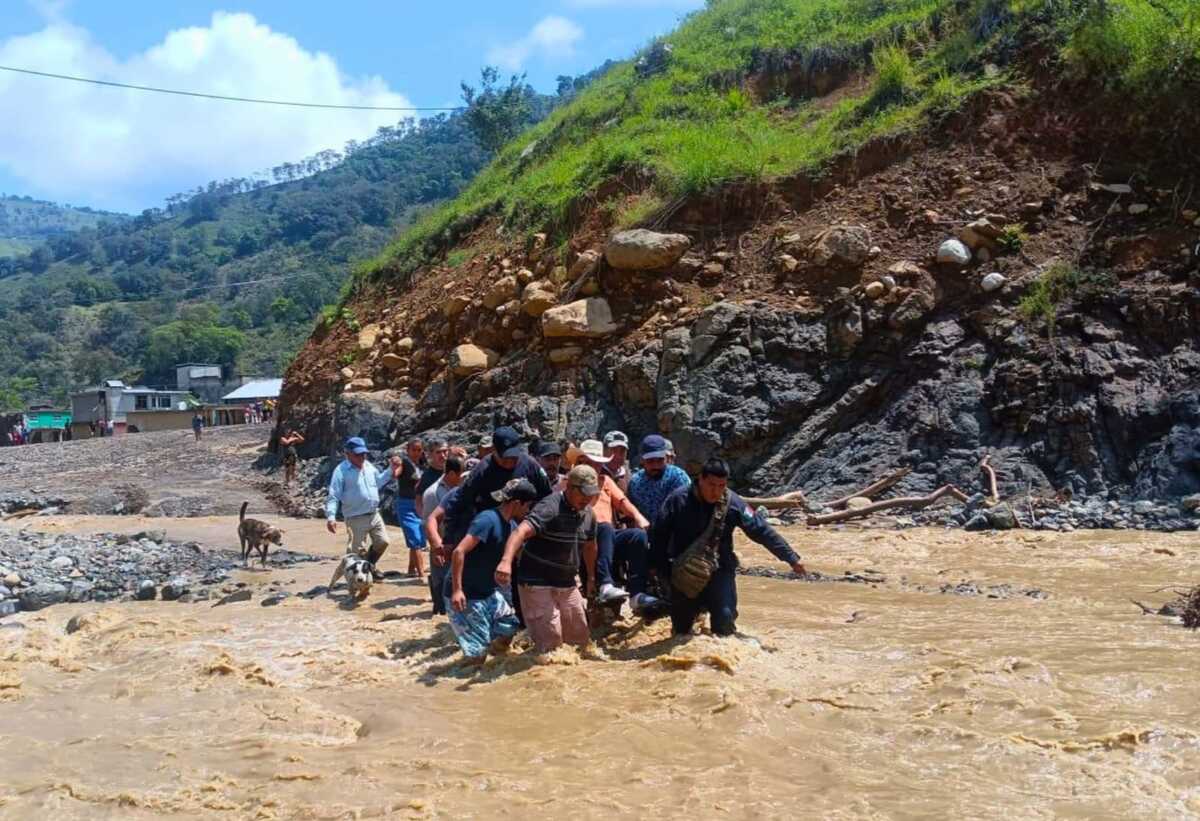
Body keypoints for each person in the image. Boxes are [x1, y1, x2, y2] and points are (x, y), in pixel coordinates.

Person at [652, 458, 806, 637]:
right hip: (683, 572)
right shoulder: (678, 500)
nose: (715, 491)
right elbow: (658, 535)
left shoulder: (733, 503)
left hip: (720, 569)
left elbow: (761, 530)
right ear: (700, 479)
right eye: (711, 485)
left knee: (724, 622)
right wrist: (658, 570)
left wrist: (791, 558)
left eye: (721, 485)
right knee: (681, 631)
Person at [495, 465, 600, 653]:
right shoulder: (550, 507)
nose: (587, 499)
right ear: (570, 487)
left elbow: (590, 547)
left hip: (566, 582)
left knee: (580, 641)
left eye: (591, 494)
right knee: (552, 645)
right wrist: (505, 561)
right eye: (584, 493)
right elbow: (520, 532)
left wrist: (591, 577)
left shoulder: (589, 514)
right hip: (536, 581)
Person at [448, 478, 539, 664]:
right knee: (477, 657)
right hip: (465, 594)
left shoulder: (512, 527)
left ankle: (496, 663)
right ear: (516, 503)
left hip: (487, 592)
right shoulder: (487, 520)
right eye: (527, 505)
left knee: (510, 628)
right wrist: (457, 590)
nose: (528, 510)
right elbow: (459, 551)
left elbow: (520, 555)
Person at [574, 439, 659, 614]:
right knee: (603, 526)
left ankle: (637, 593)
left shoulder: (605, 480)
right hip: (582, 540)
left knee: (637, 535)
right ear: (581, 463)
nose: (596, 468)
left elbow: (622, 501)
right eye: (591, 463)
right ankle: (605, 584)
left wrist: (637, 516)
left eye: (598, 464)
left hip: (609, 537)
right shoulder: (570, 484)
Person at [325, 437, 397, 580]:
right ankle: (352, 582)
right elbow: (334, 495)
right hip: (355, 517)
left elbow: (379, 481)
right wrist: (331, 517)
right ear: (348, 454)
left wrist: (391, 469)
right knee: (355, 552)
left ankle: (368, 567)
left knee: (383, 542)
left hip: (374, 514)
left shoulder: (369, 466)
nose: (362, 457)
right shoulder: (341, 471)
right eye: (358, 454)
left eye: (363, 453)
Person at [423, 455, 467, 615]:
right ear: (452, 474)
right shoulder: (432, 493)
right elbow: (428, 522)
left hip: (459, 546)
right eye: (461, 475)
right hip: (442, 546)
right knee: (441, 587)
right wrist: (436, 547)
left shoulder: (462, 491)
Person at [627, 434, 692, 527]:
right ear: (642, 460)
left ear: (666, 458)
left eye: (660, 460)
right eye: (650, 461)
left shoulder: (678, 478)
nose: (656, 466)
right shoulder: (635, 483)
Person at [390, 439, 427, 580]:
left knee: (417, 539)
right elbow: (396, 473)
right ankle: (421, 576)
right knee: (416, 539)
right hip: (406, 505)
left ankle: (411, 570)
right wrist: (394, 468)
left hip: (420, 504)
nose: (417, 453)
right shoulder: (404, 463)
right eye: (414, 450)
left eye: (419, 450)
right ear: (408, 450)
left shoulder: (423, 464)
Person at [415, 439, 449, 519]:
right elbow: (418, 500)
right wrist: (425, 519)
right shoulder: (426, 476)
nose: (443, 455)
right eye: (438, 452)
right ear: (430, 454)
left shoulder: (454, 470)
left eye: (445, 451)